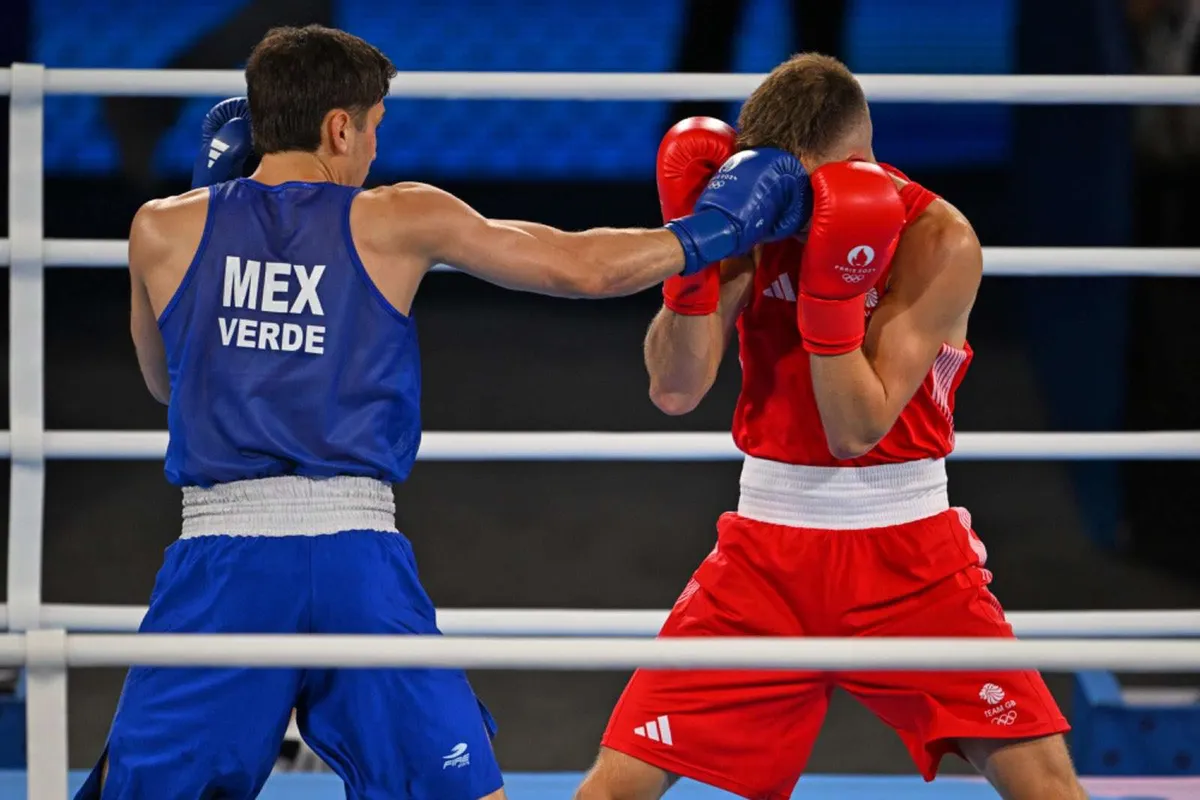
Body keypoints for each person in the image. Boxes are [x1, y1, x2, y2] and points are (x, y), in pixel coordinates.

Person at [76, 24, 810, 800]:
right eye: (374, 131)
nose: (373, 155)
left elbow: (165, 383)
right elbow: (580, 269)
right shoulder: (399, 219)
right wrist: (714, 232)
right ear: (338, 127)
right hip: (354, 561)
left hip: (220, 563)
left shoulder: (161, 228)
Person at [576, 54, 1088, 800]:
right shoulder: (758, 215)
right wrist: (694, 252)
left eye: (808, 190)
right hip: (763, 554)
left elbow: (857, 427)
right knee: (611, 789)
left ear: (855, 165)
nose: (789, 207)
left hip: (910, 558)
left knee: (1048, 789)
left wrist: (832, 285)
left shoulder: (939, 240)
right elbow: (676, 388)